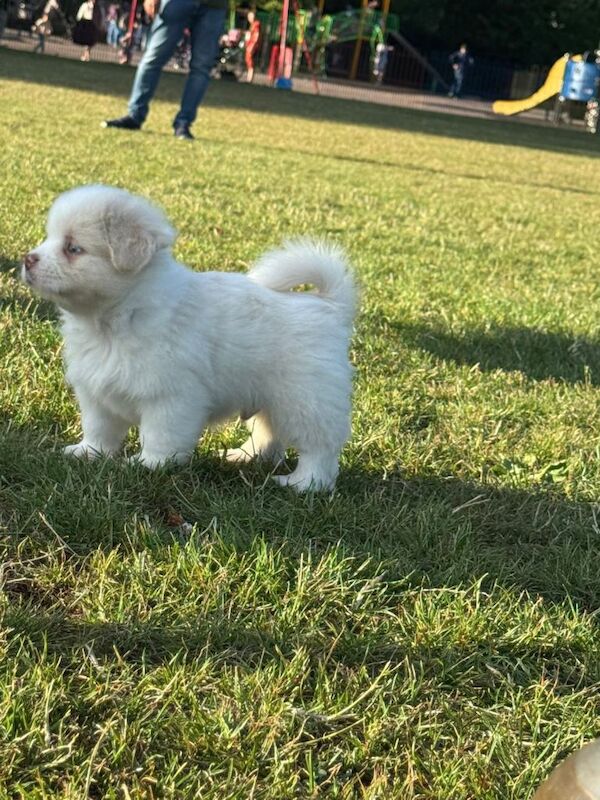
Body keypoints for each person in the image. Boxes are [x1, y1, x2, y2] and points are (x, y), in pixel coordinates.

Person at [102, 0, 227, 140]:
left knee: (201, 67)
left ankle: (183, 123)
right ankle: (135, 115)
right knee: (154, 58)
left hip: (214, 6)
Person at [243, 9, 260, 83]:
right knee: (249, 62)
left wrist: (251, 46)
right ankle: (249, 78)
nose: (249, 18)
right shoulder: (253, 25)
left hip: (252, 46)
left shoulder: (256, 25)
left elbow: (255, 36)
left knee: (250, 62)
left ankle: (249, 79)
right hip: (251, 45)